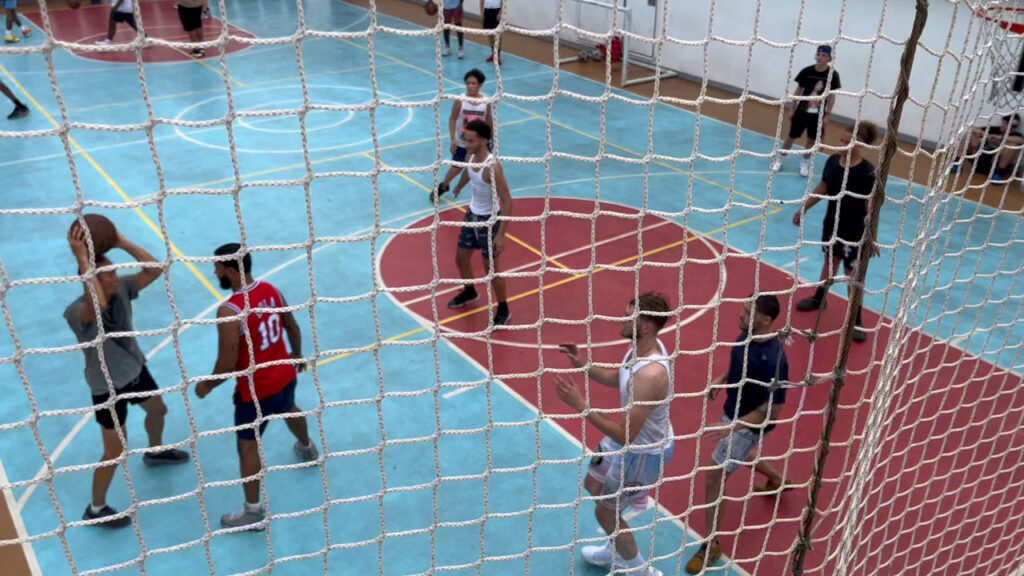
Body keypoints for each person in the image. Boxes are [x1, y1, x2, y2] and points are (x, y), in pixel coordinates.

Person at [64, 224, 189, 529]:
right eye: (108, 273)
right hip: (106, 388)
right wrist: (82, 257)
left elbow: (155, 269)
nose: (115, 275)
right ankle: (95, 508)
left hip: (134, 370)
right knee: (115, 450)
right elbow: (98, 306)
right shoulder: (76, 312)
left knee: (158, 410)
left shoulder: (120, 288)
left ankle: (156, 451)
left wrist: (120, 241)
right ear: (91, 279)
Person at [196, 243, 319, 531]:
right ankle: (307, 447)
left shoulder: (230, 311)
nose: (214, 271)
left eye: (217, 267)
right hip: (285, 376)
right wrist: (297, 355)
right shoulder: (272, 290)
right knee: (289, 408)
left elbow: (226, 363)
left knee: (248, 446)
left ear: (230, 270)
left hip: (255, 392)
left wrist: (207, 385)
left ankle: (254, 512)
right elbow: (292, 325)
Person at [554, 292, 674, 576]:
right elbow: (618, 377)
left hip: (643, 453)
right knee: (593, 485)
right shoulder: (640, 348)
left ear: (645, 326)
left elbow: (626, 437)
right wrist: (582, 363)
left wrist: (581, 406)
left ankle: (638, 570)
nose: (622, 319)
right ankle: (619, 544)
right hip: (631, 441)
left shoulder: (650, 375)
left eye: (628, 316)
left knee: (604, 511)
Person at [686, 295, 792, 574]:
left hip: (746, 424)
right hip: (732, 414)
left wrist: (733, 427)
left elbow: (775, 408)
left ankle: (711, 545)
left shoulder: (775, 359)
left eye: (749, 312)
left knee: (714, 475)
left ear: (766, 321)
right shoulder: (746, 336)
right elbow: (740, 368)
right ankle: (776, 479)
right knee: (743, 455)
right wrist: (720, 381)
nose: (741, 315)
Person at [791, 121, 880, 342]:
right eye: (842, 140)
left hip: (854, 232)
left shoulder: (868, 173)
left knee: (852, 274)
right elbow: (823, 187)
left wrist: (872, 237)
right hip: (832, 225)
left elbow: (870, 207)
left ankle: (855, 319)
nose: (842, 144)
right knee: (830, 262)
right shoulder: (832, 162)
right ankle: (820, 298)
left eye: (848, 142)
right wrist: (804, 208)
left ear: (859, 145)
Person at [443, 119, 513, 326]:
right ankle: (470, 291)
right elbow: (467, 170)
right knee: (460, 258)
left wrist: (501, 234)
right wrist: (460, 185)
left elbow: (507, 200)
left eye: (471, 141)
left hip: (489, 221)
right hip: (471, 215)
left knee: (490, 268)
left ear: (483, 140)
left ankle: (503, 308)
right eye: (466, 140)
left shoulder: (492, 168)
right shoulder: (471, 154)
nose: (467, 144)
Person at [772, 45, 842, 177]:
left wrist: (827, 115)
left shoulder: (833, 75)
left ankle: (804, 163)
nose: (821, 57)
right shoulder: (807, 71)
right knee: (791, 137)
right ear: (816, 56)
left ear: (829, 58)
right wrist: (792, 108)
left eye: (824, 55)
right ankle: (780, 160)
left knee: (811, 140)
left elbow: (832, 96)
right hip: (802, 111)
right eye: (819, 54)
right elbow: (799, 90)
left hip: (818, 114)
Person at [432, 69, 492, 202]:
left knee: (473, 168)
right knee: (456, 167)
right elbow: (453, 119)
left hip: (479, 143)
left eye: (473, 83)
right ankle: (444, 185)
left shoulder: (486, 102)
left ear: (480, 85)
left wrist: (489, 139)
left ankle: (459, 187)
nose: (470, 86)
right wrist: (453, 139)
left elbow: (489, 121)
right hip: (462, 141)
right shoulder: (461, 100)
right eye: (468, 83)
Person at [950, 113, 1024, 182]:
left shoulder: (1016, 135)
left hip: (995, 165)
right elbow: (972, 127)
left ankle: (998, 173)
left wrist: (1001, 138)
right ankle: (957, 163)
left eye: (1006, 124)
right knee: (968, 134)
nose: (1003, 125)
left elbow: (1021, 141)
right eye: (1003, 122)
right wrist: (985, 134)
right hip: (980, 158)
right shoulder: (994, 129)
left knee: (1014, 145)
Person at [480, 0, 501, 65]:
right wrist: (481, 12)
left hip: (496, 10)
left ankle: (498, 56)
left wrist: (500, 12)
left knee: (497, 34)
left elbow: (503, 1)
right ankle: (493, 54)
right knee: (490, 33)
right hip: (487, 10)